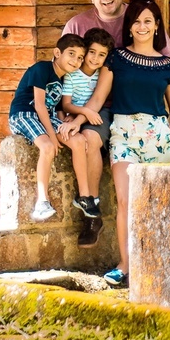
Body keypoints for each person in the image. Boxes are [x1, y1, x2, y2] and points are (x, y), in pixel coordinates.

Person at [89, 0, 170, 287]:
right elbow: (98, 100)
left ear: (156, 27)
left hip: (158, 136)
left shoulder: (167, 65)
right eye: (137, 21)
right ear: (129, 26)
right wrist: (76, 120)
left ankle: (165, 261)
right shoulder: (116, 58)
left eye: (148, 21)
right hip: (124, 134)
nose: (142, 26)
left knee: (166, 203)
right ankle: (125, 265)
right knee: (126, 201)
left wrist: (168, 132)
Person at [62, 0, 170, 132]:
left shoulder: (141, 18)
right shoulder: (76, 25)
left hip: (136, 106)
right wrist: (66, 111)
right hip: (91, 105)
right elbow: (59, 69)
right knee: (89, 139)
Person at [7, 33, 100, 222]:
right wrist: (52, 135)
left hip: (45, 117)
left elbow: (56, 109)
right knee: (48, 147)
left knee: (79, 140)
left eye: (80, 57)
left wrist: (65, 122)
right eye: (71, 54)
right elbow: (39, 105)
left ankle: (84, 196)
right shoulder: (42, 69)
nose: (76, 60)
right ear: (57, 53)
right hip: (25, 113)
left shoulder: (63, 79)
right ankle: (42, 201)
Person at [58, 26, 114, 247]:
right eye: (92, 52)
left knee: (91, 139)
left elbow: (97, 102)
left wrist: (82, 116)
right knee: (82, 141)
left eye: (101, 55)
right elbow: (64, 102)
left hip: (97, 113)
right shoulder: (72, 74)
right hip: (77, 112)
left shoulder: (104, 73)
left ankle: (92, 209)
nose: (95, 58)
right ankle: (90, 207)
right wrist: (68, 118)